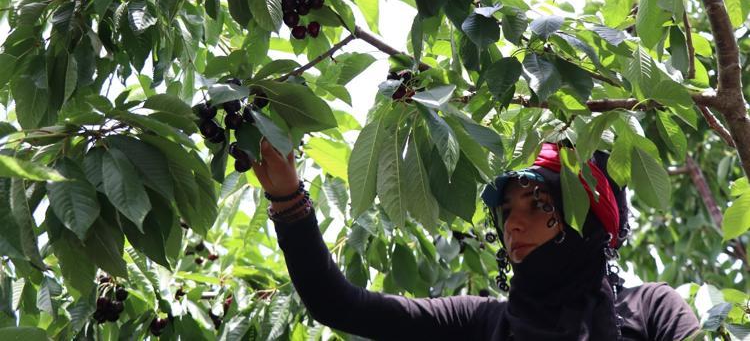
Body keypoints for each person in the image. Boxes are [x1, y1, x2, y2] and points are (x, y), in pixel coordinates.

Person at [251, 139, 700, 340]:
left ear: (583, 221)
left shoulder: (651, 309)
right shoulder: (485, 323)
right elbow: (339, 305)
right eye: (506, 212)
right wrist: (288, 199)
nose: (513, 226)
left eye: (537, 204)